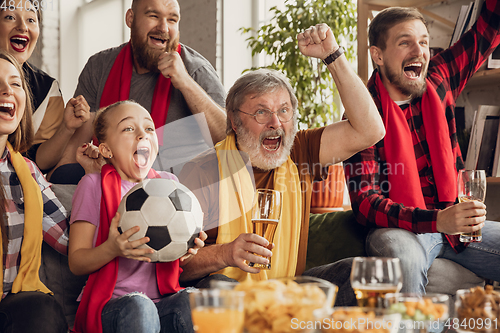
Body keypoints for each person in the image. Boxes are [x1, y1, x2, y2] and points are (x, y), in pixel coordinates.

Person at [178, 23, 385, 306]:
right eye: (261, 112)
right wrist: (225, 253)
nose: (276, 123)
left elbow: (371, 130)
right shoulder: (201, 170)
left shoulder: (300, 151)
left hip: (286, 292)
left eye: (284, 110)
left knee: (360, 274)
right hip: (229, 298)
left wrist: (332, 56)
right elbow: (178, 266)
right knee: (221, 286)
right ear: (235, 121)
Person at [344, 0, 500, 294]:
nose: (419, 52)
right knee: (403, 258)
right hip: (400, 230)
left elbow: (488, 29)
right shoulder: (361, 117)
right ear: (377, 55)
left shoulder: (439, 79)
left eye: (424, 42)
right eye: (405, 43)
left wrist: (448, 220)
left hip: (454, 226)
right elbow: (365, 202)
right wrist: (437, 220)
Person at [49, 0, 226, 184]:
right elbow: (77, 146)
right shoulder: (99, 67)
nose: (164, 27)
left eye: (172, 20)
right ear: (130, 18)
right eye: (153, 16)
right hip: (111, 189)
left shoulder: (196, 71)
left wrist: (186, 83)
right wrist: (53, 184)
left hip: (179, 196)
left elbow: (228, 140)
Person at [68, 100, 207, 333]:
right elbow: (76, 262)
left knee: (193, 300)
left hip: (162, 301)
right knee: (140, 306)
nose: (142, 134)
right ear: (106, 150)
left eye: (149, 128)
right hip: (114, 305)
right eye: (128, 128)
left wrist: (188, 248)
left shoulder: (170, 184)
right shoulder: (92, 185)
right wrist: (112, 249)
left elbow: (174, 253)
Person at [0, 51, 69, 332]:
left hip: (12, 304)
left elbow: (69, 239)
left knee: (43, 312)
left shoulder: (26, 171)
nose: (7, 91)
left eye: (15, 84)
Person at [0, 0, 91, 174]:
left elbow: (38, 160)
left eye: (31, 20)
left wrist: (67, 127)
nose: (22, 27)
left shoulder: (47, 89)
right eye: (10, 17)